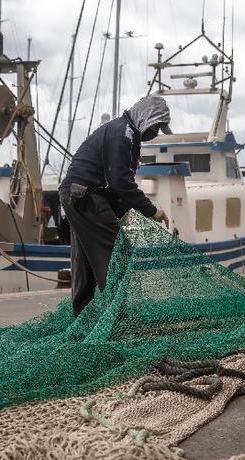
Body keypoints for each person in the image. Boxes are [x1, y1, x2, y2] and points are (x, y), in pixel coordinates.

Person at [59, 96, 172, 315]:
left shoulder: (124, 133)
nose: (155, 132)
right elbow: (121, 181)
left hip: (76, 196)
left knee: (86, 262)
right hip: (86, 196)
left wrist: (124, 209)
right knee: (117, 254)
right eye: (156, 126)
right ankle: (118, 316)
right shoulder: (123, 134)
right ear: (145, 118)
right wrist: (152, 211)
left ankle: (83, 315)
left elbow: (113, 180)